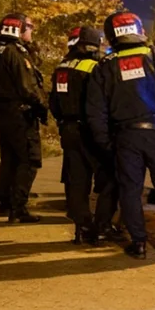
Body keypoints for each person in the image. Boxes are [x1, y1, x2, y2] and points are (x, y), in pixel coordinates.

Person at [86, 11, 155, 260]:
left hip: (124, 137)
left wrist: (105, 142)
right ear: (138, 31)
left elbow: (96, 110)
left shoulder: (104, 66)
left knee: (130, 190)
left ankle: (138, 244)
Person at [48, 26, 119, 245]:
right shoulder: (95, 66)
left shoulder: (62, 66)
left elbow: (53, 102)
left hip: (68, 128)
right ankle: (103, 224)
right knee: (109, 177)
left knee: (77, 180)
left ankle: (82, 226)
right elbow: (104, 100)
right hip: (91, 128)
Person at [0, 13, 46, 223]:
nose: (32, 30)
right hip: (20, 112)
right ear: (18, 29)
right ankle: (18, 208)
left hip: (2, 111)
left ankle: (5, 203)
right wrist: (43, 108)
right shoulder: (15, 53)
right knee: (30, 159)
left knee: (10, 158)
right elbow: (28, 87)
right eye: (29, 27)